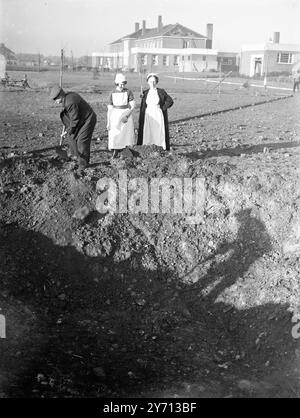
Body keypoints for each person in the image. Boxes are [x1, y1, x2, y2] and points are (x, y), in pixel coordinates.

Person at [49, 84, 97, 169]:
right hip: (81, 120)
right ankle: (75, 159)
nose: (55, 101)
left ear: (61, 94)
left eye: (56, 99)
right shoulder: (67, 99)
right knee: (71, 137)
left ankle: (83, 164)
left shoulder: (70, 102)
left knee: (82, 141)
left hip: (88, 120)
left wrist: (68, 131)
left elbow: (75, 120)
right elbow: (72, 118)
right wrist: (68, 131)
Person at [137, 73, 174, 151]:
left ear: (156, 82)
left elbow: (170, 101)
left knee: (158, 130)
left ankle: (160, 147)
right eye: (150, 81)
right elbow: (143, 105)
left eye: (154, 81)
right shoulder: (145, 93)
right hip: (148, 115)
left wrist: (162, 108)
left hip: (157, 113)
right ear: (148, 82)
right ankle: (147, 148)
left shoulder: (161, 92)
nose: (152, 83)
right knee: (148, 130)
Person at [107, 73, 136, 159]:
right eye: (120, 84)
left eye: (124, 83)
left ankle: (125, 149)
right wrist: (108, 122)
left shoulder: (128, 92)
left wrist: (127, 115)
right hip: (115, 114)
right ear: (117, 83)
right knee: (115, 132)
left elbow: (132, 106)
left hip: (125, 114)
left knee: (125, 132)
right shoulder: (112, 93)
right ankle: (116, 149)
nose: (122, 85)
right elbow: (110, 108)